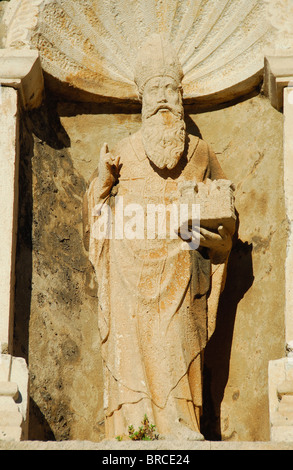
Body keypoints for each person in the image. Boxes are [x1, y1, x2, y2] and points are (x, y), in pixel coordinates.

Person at [83, 34, 233, 440]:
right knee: (129, 350)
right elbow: (94, 217)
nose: (163, 97)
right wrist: (103, 180)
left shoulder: (200, 152)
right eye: (155, 90)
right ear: (142, 98)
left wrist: (219, 234)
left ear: (181, 96)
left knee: (177, 342)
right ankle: (133, 431)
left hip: (182, 269)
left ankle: (180, 427)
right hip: (128, 271)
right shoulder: (124, 150)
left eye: (170, 89)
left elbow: (226, 211)